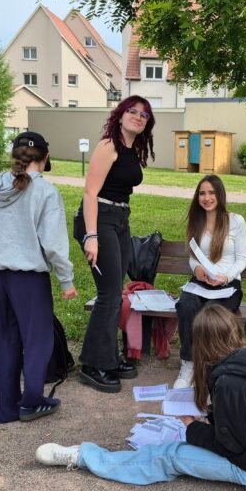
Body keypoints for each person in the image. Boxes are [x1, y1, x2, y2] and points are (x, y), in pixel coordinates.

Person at [35, 304, 246, 491]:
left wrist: (192, 426)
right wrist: (214, 414)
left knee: (169, 456)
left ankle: (83, 457)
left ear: (202, 343)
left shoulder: (230, 382)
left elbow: (232, 445)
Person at [0, 132, 79, 424]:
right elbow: (54, 243)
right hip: (29, 279)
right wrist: (66, 279)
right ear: (45, 158)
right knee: (37, 340)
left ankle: (6, 407)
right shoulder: (45, 192)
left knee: (3, 342)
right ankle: (32, 401)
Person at [76, 96, 155, 394]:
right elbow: (89, 193)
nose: (137, 116)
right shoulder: (108, 145)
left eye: (144, 114)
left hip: (120, 218)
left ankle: (107, 358)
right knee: (108, 294)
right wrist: (92, 236)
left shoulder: (132, 149)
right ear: (120, 115)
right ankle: (93, 365)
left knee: (115, 292)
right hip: (100, 219)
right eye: (132, 111)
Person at [172, 175, 246, 388]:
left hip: (227, 285)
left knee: (211, 313)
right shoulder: (197, 221)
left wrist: (226, 277)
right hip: (201, 282)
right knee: (186, 305)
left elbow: (241, 260)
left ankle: (206, 367)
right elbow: (193, 256)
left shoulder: (236, 221)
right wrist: (196, 269)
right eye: (202, 193)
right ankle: (188, 364)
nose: (207, 198)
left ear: (220, 195)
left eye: (211, 193)